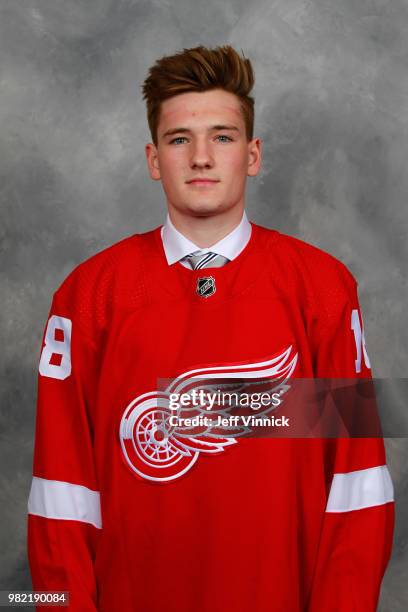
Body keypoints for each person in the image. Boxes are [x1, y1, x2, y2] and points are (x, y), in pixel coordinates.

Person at [27, 45, 395, 611]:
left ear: (252, 155)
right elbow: (62, 495)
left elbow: (356, 484)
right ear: (154, 159)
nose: (201, 156)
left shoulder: (322, 289)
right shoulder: (88, 297)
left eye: (222, 136)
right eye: (180, 139)